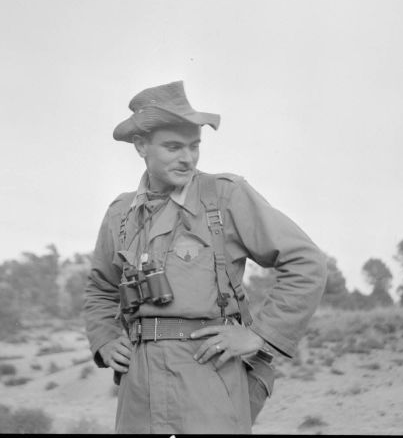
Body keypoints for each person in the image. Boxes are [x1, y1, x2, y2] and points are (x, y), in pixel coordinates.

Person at [83, 81, 327, 434]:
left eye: (194, 146)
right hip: (139, 382)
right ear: (141, 146)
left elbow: (306, 262)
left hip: (207, 371)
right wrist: (105, 338)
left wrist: (260, 335)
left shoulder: (225, 197)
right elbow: (101, 289)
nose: (187, 158)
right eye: (173, 147)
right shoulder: (120, 212)